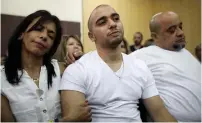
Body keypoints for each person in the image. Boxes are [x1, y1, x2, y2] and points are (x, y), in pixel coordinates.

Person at [60, 4, 177, 122]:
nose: (112, 24)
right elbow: (75, 118)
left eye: (116, 19)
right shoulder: (76, 71)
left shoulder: (139, 66)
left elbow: (160, 113)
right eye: (102, 22)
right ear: (91, 36)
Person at [130, 11, 201, 122]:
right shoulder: (142, 55)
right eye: (172, 30)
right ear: (155, 36)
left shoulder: (186, 53)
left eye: (180, 27)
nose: (180, 33)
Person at [1, 10, 64, 122]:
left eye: (50, 36)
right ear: (21, 34)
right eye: (38, 29)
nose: (44, 36)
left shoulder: (60, 70)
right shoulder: (2, 79)